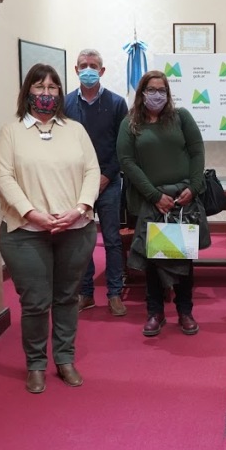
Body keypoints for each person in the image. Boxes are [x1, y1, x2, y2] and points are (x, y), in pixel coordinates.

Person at [0, 63, 100, 394]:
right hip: (26, 232)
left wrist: (80, 208)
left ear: (60, 93)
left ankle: (65, 359)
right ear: (27, 91)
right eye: (39, 87)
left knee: (67, 297)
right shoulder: (11, 131)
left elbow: (92, 171)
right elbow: (4, 177)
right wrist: (32, 213)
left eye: (53, 87)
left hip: (75, 228)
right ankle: (36, 364)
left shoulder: (75, 130)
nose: (46, 93)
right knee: (36, 302)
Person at [117, 71, 208, 337]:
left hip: (181, 200)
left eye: (162, 90)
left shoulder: (181, 117)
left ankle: (185, 311)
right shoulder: (130, 123)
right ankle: (155, 312)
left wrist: (193, 187)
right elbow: (126, 161)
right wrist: (154, 196)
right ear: (142, 93)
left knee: (182, 257)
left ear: (168, 94)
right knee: (154, 260)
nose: (156, 95)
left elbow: (197, 151)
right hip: (150, 202)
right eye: (151, 90)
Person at [64, 49, 129, 316]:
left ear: (102, 71)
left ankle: (114, 293)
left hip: (108, 181)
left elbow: (123, 146)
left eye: (93, 65)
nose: (88, 69)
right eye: (83, 65)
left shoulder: (117, 103)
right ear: (76, 70)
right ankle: (86, 293)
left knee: (112, 240)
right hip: (77, 184)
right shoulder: (66, 104)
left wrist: (106, 176)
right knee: (82, 241)